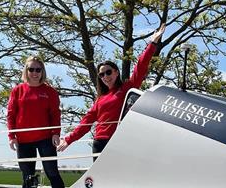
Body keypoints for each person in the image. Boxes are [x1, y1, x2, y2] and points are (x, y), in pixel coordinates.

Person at [58, 23, 166, 158]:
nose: (105, 76)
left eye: (108, 72)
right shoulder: (100, 100)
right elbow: (85, 124)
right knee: (100, 179)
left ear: (116, 72)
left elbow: (141, 66)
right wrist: (69, 139)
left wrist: (152, 43)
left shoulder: (127, 88)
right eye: (101, 75)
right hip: (99, 142)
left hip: (118, 141)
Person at [7, 56, 65, 188]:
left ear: (42, 71)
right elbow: (11, 114)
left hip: (45, 139)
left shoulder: (50, 91)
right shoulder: (17, 90)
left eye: (38, 69)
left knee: (51, 171)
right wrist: (11, 136)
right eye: (31, 69)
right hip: (23, 140)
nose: (34, 72)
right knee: (27, 174)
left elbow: (55, 114)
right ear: (26, 71)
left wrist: (56, 133)